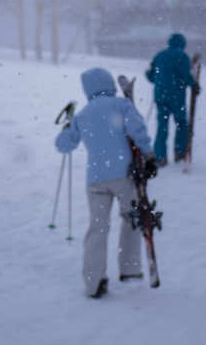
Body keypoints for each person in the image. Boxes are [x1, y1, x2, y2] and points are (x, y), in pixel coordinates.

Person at [55, 67, 157, 299]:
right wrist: (148, 155)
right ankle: (130, 269)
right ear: (110, 83)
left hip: (95, 182)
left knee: (97, 229)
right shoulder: (121, 105)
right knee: (131, 218)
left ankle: (94, 281)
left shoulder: (82, 114)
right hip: (124, 176)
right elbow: (137, 129)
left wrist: (66, 130)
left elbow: (64, 146)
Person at [145, 33, 201, 167]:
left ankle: (160, 157)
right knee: (181, 123)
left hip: (160, 96)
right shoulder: (182, 56)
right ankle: (180, 152)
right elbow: (186, 75)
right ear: (182, 44)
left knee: (162, 125)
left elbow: (150, 75)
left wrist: (160, 81)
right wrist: (194, 85)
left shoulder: (159, 55)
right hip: (176, 96)